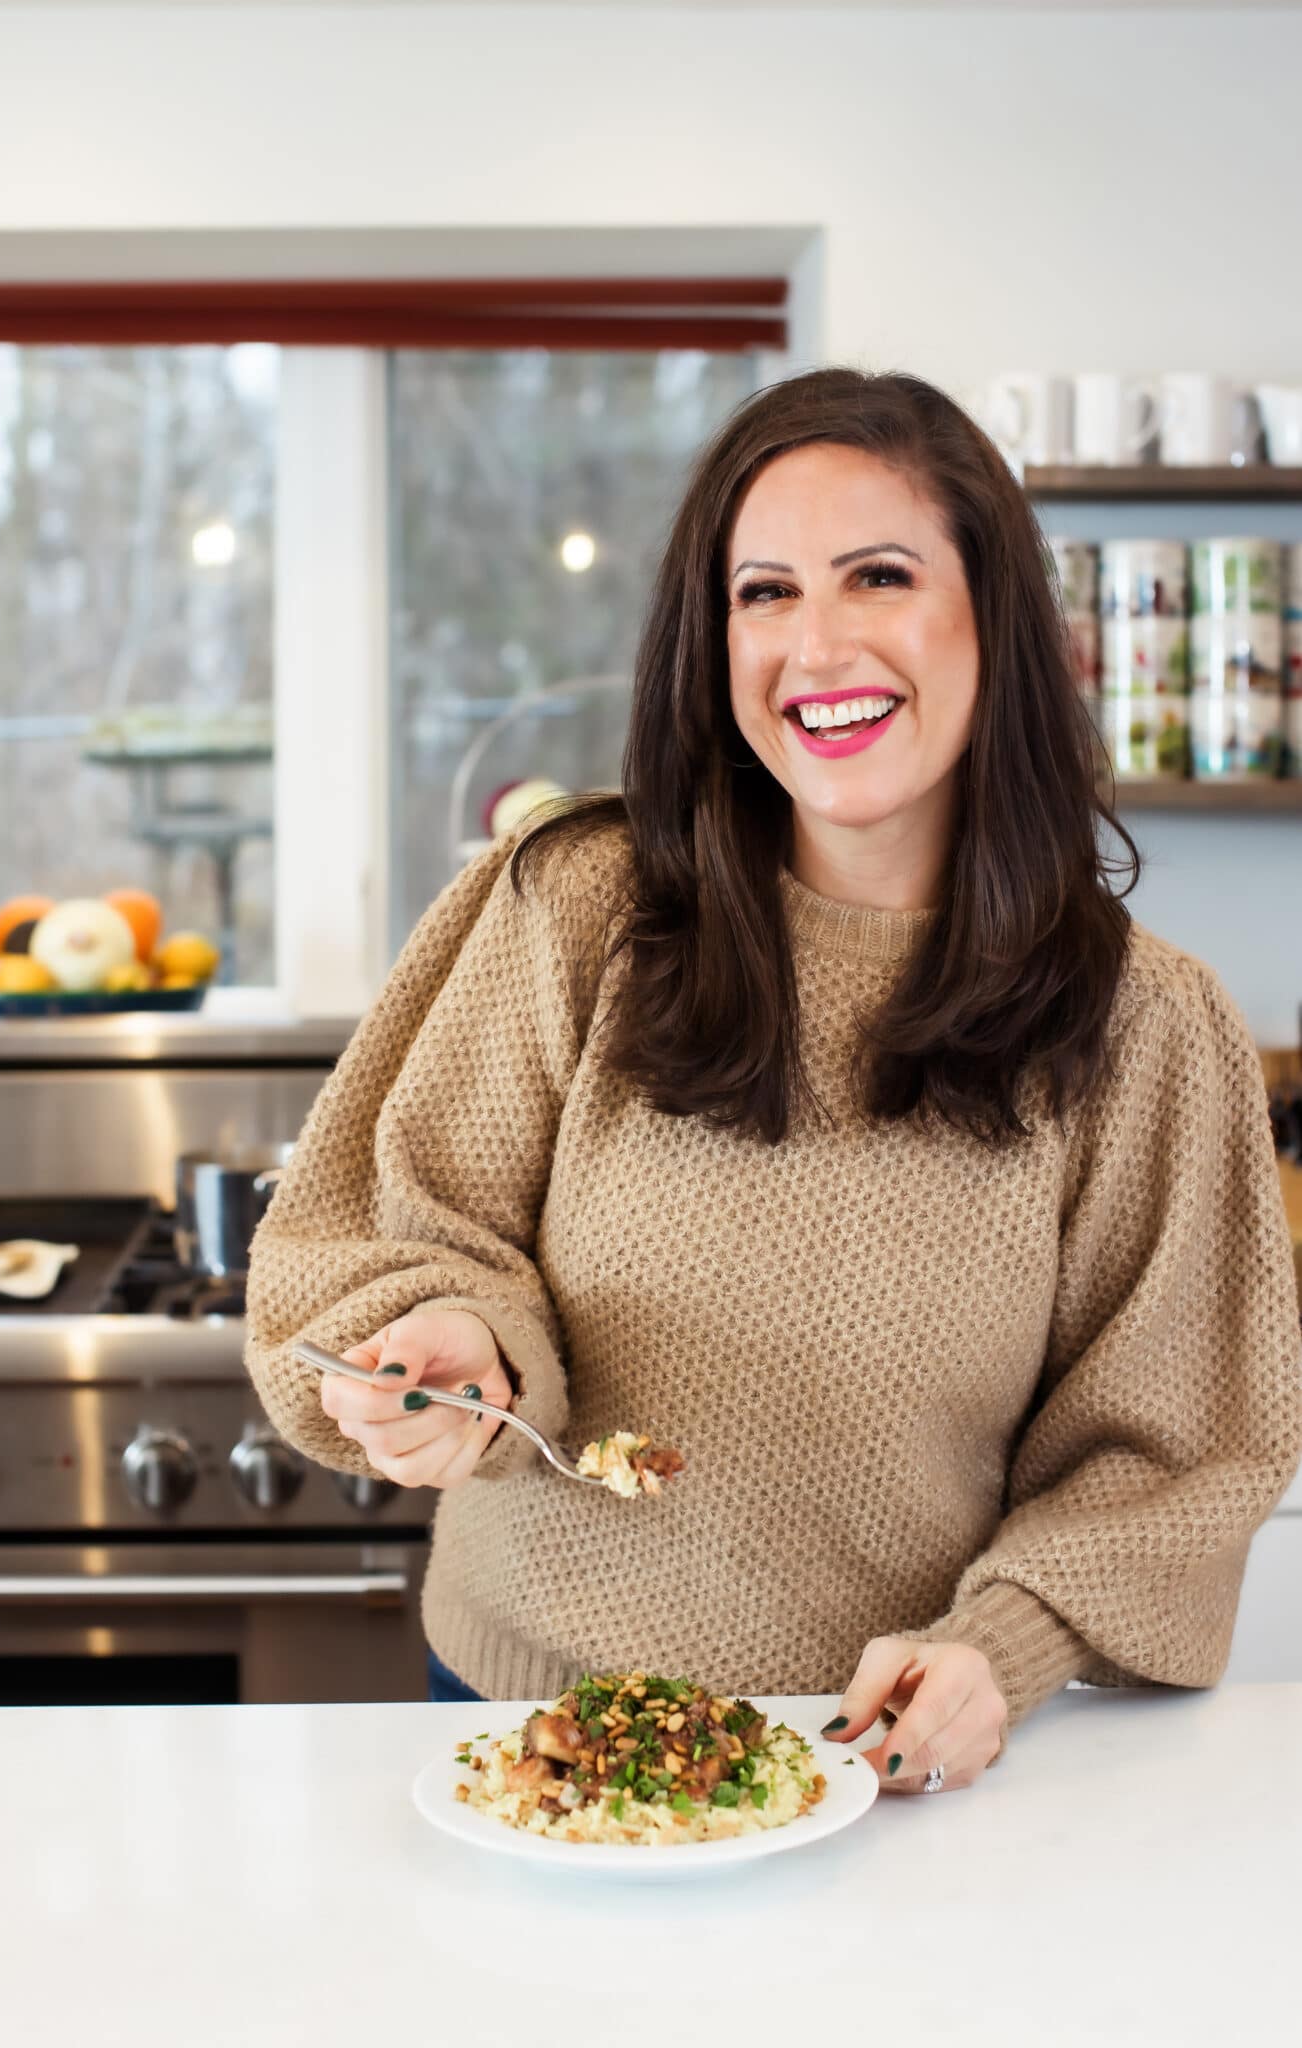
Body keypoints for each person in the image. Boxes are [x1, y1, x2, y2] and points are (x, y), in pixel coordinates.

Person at [244, 367, 1302, 1796]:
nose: (817, 644)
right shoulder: (574, 903)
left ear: (994, 616)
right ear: (709, 635)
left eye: (877, 575)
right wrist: (450, 1343)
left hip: (884, 1759)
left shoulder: (1147, 1025)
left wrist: (1006, 1640)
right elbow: (393, 1224)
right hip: (520, 1715)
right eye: (763, 593)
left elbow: (1173, 1448)